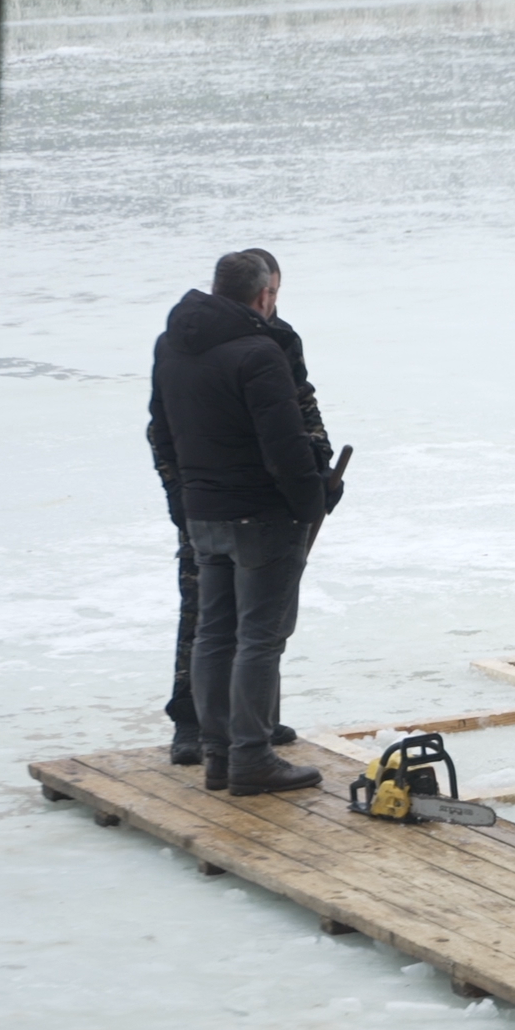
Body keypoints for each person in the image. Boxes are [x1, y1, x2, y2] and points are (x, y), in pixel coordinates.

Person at [147, 251, 330, 794]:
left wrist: (184, 500)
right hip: (261, 515)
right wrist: (312, 500)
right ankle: (250, 756)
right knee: (259, 638)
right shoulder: (260, 351)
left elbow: (162, 431)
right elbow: (285, 444)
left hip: (204, 512)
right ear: (263, 295)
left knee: (213, 633)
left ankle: (218, 754)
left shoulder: (171, 344)